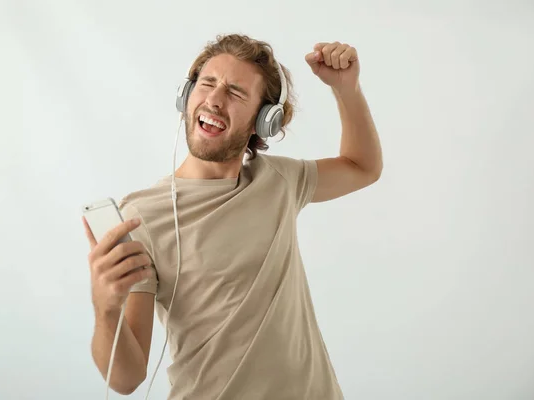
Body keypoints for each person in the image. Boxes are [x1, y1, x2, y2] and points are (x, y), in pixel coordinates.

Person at [83, 33, 383, 399]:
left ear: (264, 120)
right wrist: (106, 308)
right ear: (186, 95)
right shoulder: (142, 217)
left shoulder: (279, 180)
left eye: (235, 92)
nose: (213, 99)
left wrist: (346, 89)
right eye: (207, 83)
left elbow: (362, 166)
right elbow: (126, 379)